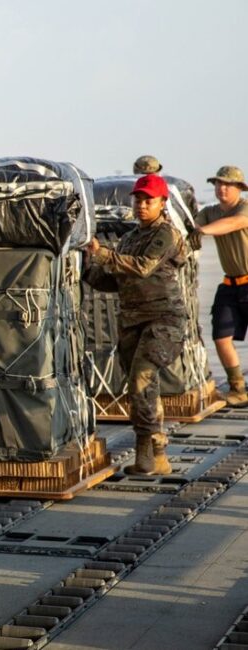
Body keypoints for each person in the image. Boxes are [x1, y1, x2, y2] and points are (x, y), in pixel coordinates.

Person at [84, 174, 188, 475]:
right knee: (140, 387)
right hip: (131, 322)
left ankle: (148, 451)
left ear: (162, 203)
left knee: (142, 378)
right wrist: (86, 266)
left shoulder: (166, 234)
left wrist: (103, 253)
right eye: (138, 199)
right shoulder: (130, 238)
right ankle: (156, 452)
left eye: (148, 200)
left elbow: (143, 268)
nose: (141, 205)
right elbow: (113, 281)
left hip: (164, 320)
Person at [189, 165, 248, 407]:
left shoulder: (244, 208)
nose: (221, 188)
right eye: (218, 184)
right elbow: (191, 225)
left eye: (227, 184)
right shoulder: (210, 212)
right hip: (230, 283)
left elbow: (233, 223)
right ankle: (238, 388)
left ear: (239, 189)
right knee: (221, 336)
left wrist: (201, 231)